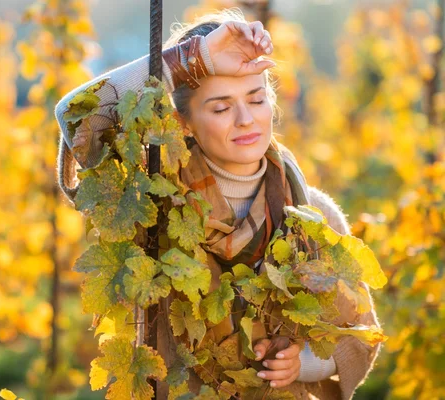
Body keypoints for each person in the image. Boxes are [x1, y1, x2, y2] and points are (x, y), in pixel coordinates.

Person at [55, 9, 381, 400]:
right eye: (222, 107)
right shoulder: (153, 204)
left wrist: (303, 361)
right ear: (183, 122)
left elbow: (361, 336)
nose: (246, 119)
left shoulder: (312, 215)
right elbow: (78, 117)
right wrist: (197, 57)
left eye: (257, 99)